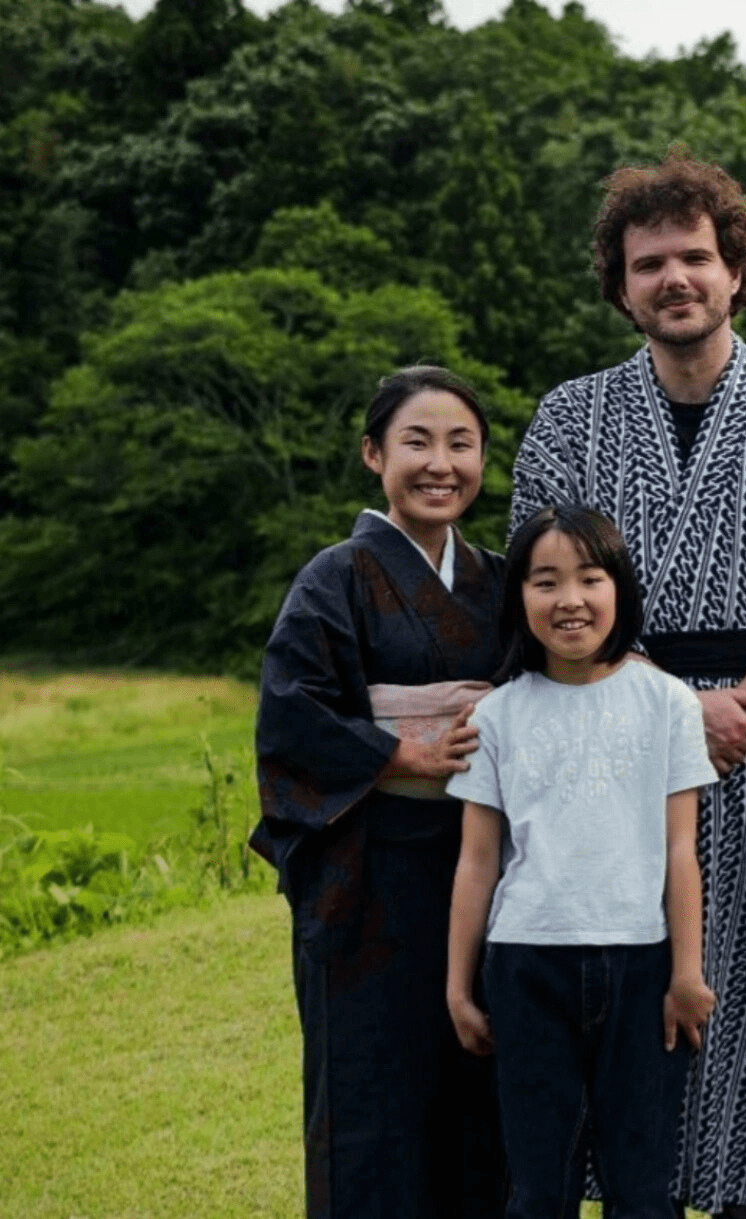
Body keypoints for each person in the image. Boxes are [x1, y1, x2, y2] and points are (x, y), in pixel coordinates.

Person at [509, 153, 746, 1219]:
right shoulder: (569, 419)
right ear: (622, 287)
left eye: (694, 257)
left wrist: (736, 712)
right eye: (649, 263)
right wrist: (674, 710)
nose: (674, 278)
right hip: (609, 749)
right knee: (621, 1001)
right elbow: (542, 590)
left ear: (735, 271)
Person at [249, 365, 508, 1219]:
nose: (441, 463)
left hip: (482, 865)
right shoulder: (336, 577)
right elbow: (290, 714)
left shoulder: (502, 581)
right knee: (369, 1098)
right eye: (416, 442)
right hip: (366, 874)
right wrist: (404, 750)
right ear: (373, 453)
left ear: (482, 459)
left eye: (461, 444)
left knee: (480, 1095)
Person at [445, 504, 719, 1219]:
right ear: (519, 599)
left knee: (642, 1187)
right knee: (541, 1186)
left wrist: (686, 973)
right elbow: (477, 860)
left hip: (643, 968)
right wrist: (457, 986)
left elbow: (681, 849)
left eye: (590, 578)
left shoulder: (668, 703)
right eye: (546, 582)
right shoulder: (496, 715)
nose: (570, 599)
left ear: (619, 589)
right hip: (526, 965)